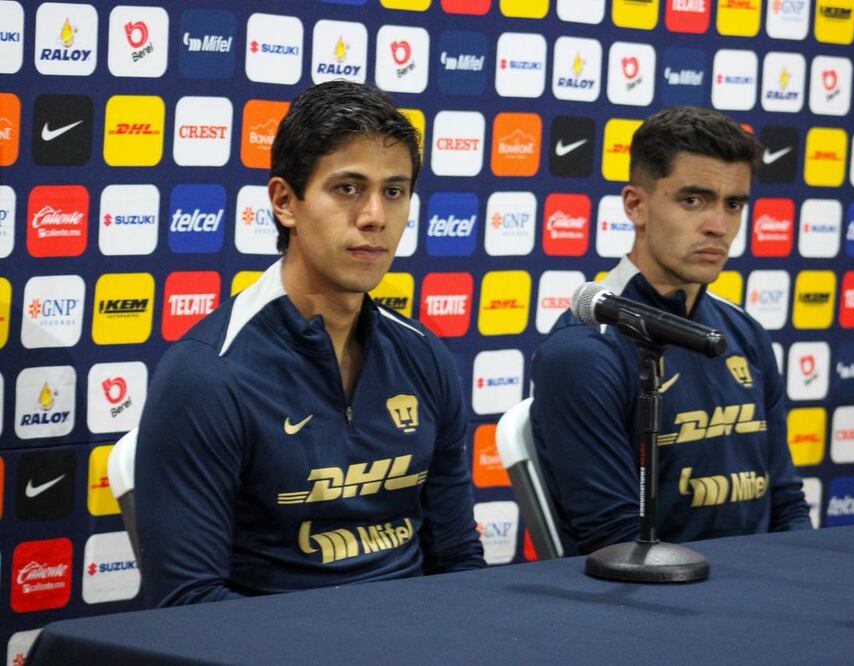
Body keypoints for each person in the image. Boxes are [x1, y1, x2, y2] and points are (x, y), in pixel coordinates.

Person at [135, 81, 484, 606]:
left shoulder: (423, 356)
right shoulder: (208, 375)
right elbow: (190, 602)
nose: (375, 216)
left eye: (394, 191)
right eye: (348, 189)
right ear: (284, 202)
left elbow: (457, 560)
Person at [530, 106, 812, 555]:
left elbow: (785, 500)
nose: (718, 226)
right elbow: (615, 538)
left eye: (734, 205)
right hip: (654, 593)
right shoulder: (583, 351)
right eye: (693, 201)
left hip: (765, 584)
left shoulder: (745, 332)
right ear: (636, 206)